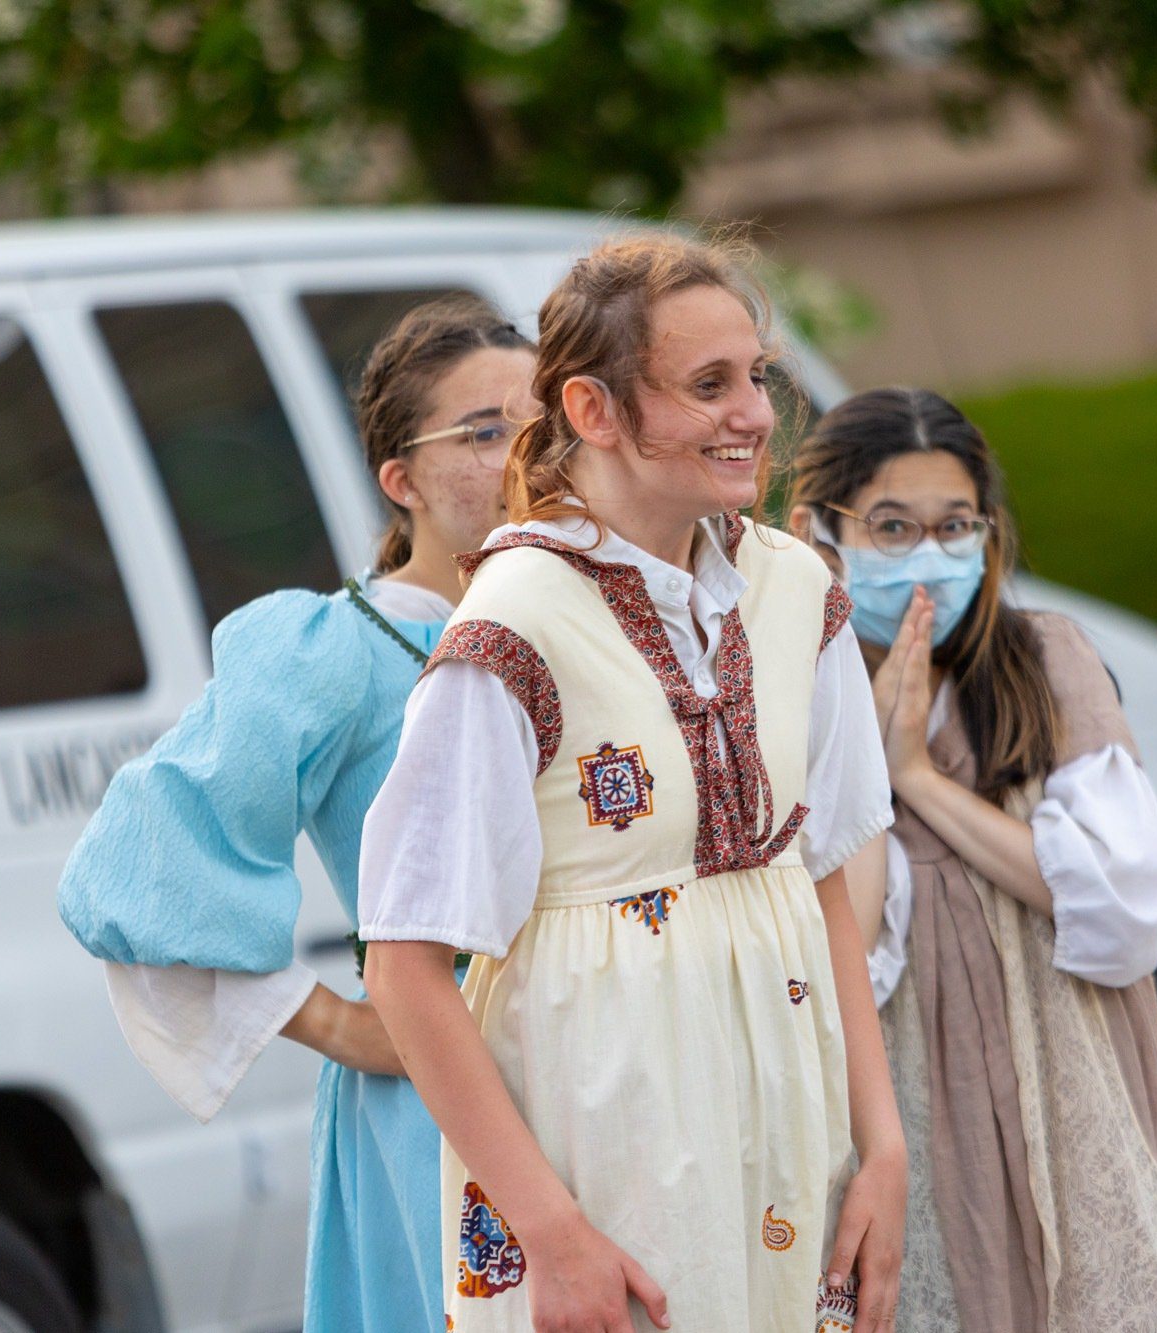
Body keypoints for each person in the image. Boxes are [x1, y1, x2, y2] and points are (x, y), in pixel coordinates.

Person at [355, 235, 907, 1333]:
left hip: (793, 1148)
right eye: (707, 385)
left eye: (755, 376)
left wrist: (883, 1147)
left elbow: (823, 883)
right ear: (592, 410)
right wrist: (549, 1234)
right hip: (606, 1172)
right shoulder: (512, 623)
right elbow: (405, 967)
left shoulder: (796, 592)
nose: (753, 412)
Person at [56, 295, 538, 1333]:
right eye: (484, 431)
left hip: (618, 1061)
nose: (520, 456)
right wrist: (338, 1023)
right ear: (399, 479)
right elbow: (136, 867)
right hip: (441, 1100)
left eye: (542, 425)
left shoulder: (603, 615)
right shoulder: (340, 650)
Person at [786, 386, 1157, 1331]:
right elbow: (844, 950)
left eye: (954, 526)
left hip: (1062, 1084)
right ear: (822, 532)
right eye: (892, 527)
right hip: (899, 1097)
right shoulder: (791, 694)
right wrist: (864, 757)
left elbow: (1124, 903)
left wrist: (924, 782)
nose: (927, 556)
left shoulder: (1041, 663)